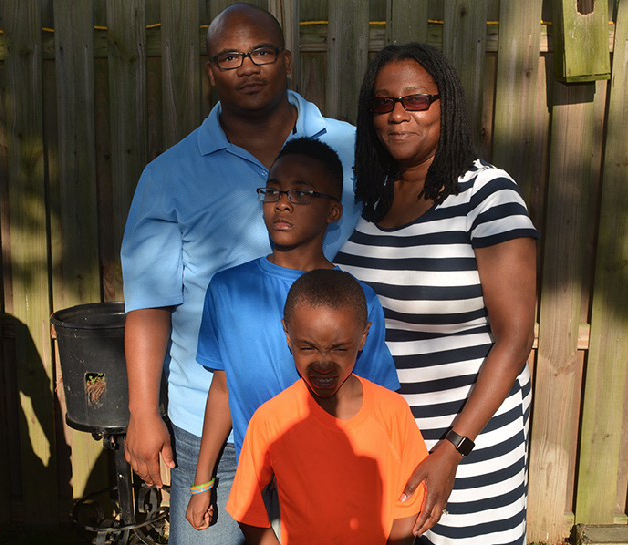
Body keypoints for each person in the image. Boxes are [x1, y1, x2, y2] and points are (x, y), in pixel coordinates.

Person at [120, 5, 360, 544]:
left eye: (261, 52)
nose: (247, 67)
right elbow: (149, 301)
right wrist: (142, 412)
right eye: (229, 57)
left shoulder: (351, 150)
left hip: (330, 410)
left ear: (287, 60)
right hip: (213, 424)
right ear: (211, 72)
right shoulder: (170, 175)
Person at [335, 42, 540, 545]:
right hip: (378, 443)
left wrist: (452, 450)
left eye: (416, 99)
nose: (398, 114)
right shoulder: (371, 198)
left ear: (445, 104)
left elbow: (515, 339)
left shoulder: (486, 195)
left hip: (466, 445)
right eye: (383, 103)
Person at [185, 138, 400, 530]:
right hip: (254, 476)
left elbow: (379, 402)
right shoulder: (227, 289)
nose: (282, 203)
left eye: (301, 193)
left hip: (331, 482)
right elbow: (222, 386)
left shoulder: (357, 301)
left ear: (333, 211)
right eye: (273, 190)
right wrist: (202, 482)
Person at [226, 269, 428, 545]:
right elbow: (247, 508)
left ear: (364, 335)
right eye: (307, 348)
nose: (322, 363)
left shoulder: (394, 411)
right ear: (287, 334)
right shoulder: (271, 420)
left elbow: (408, 501)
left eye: (339, 349)